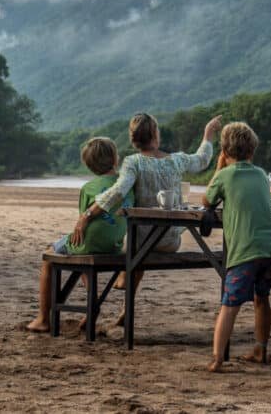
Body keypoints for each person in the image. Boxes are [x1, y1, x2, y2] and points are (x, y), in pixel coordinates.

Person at [71, 112, 222, 321]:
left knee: (133, 248)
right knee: (141, 248)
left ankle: (123, 285)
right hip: (170, 241)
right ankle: (126, 306)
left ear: (133, 139)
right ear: (155, 134)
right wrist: (207, 134)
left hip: (140, 242)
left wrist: (87, 214)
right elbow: (202, 160)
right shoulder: (176, 160)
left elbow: (118, 191)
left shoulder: (132, 162)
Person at [202, 122, 271, 372]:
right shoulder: (260, 174)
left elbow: (207, 199)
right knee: (262, 297)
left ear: (224, 153)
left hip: (246, 250)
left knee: (230, 303)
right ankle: (260, 348)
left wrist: (218, 169)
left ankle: (217, 358)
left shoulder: (225, 175)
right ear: (252, 152)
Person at [25, 137, 127, 333]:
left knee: (50, 255)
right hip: (114, 246)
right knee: (81, 251)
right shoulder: (126, 184)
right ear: (115, 158)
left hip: (89, 245)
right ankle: (92, 306)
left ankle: (43, 318)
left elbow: (82, 221)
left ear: (89, 166)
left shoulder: (88, 188)